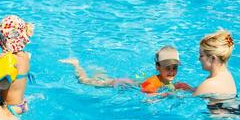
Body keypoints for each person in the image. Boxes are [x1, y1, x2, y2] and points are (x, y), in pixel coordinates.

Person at [60, 46, 192, 94]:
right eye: (167, 68)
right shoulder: (153, 82)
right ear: (158, 67)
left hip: (132, 81)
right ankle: (76, 64)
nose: (172, 72)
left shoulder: (168, 80)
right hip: (121, 83)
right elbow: (148, 99)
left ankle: (97, 70)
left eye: (175, 68)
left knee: (100, 76)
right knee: (85, 81)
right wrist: (168, 94)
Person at [0, 15, 34, 115]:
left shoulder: (9, 59)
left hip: (10, 108)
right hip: (21, 104)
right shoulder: (26, 56)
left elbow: (3, 84)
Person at [193, 29, 236, 96]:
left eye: (201, 55)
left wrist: (172, 94)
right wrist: (190, 89)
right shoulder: (226, 74)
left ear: (213, 58)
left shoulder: (209, 84)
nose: (199, 59)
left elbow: (187, 102)